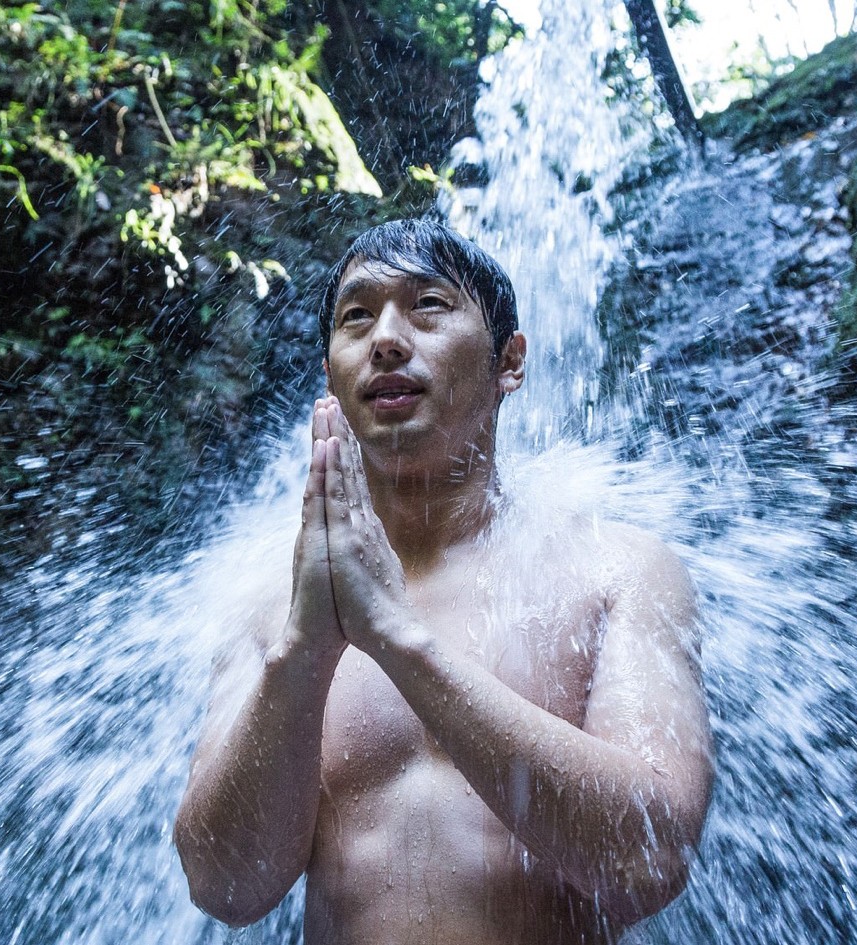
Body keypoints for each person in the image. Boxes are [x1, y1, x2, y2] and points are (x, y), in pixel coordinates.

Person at [173, 219, 714, 944]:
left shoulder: (616, 570)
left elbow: (647, 859)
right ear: (331, 374)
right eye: (356, 315)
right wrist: (305, 646)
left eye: (428, 304)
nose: (386, 338)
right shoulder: (270, 605)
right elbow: (226, 885)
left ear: (509, 361)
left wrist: (397, 638)